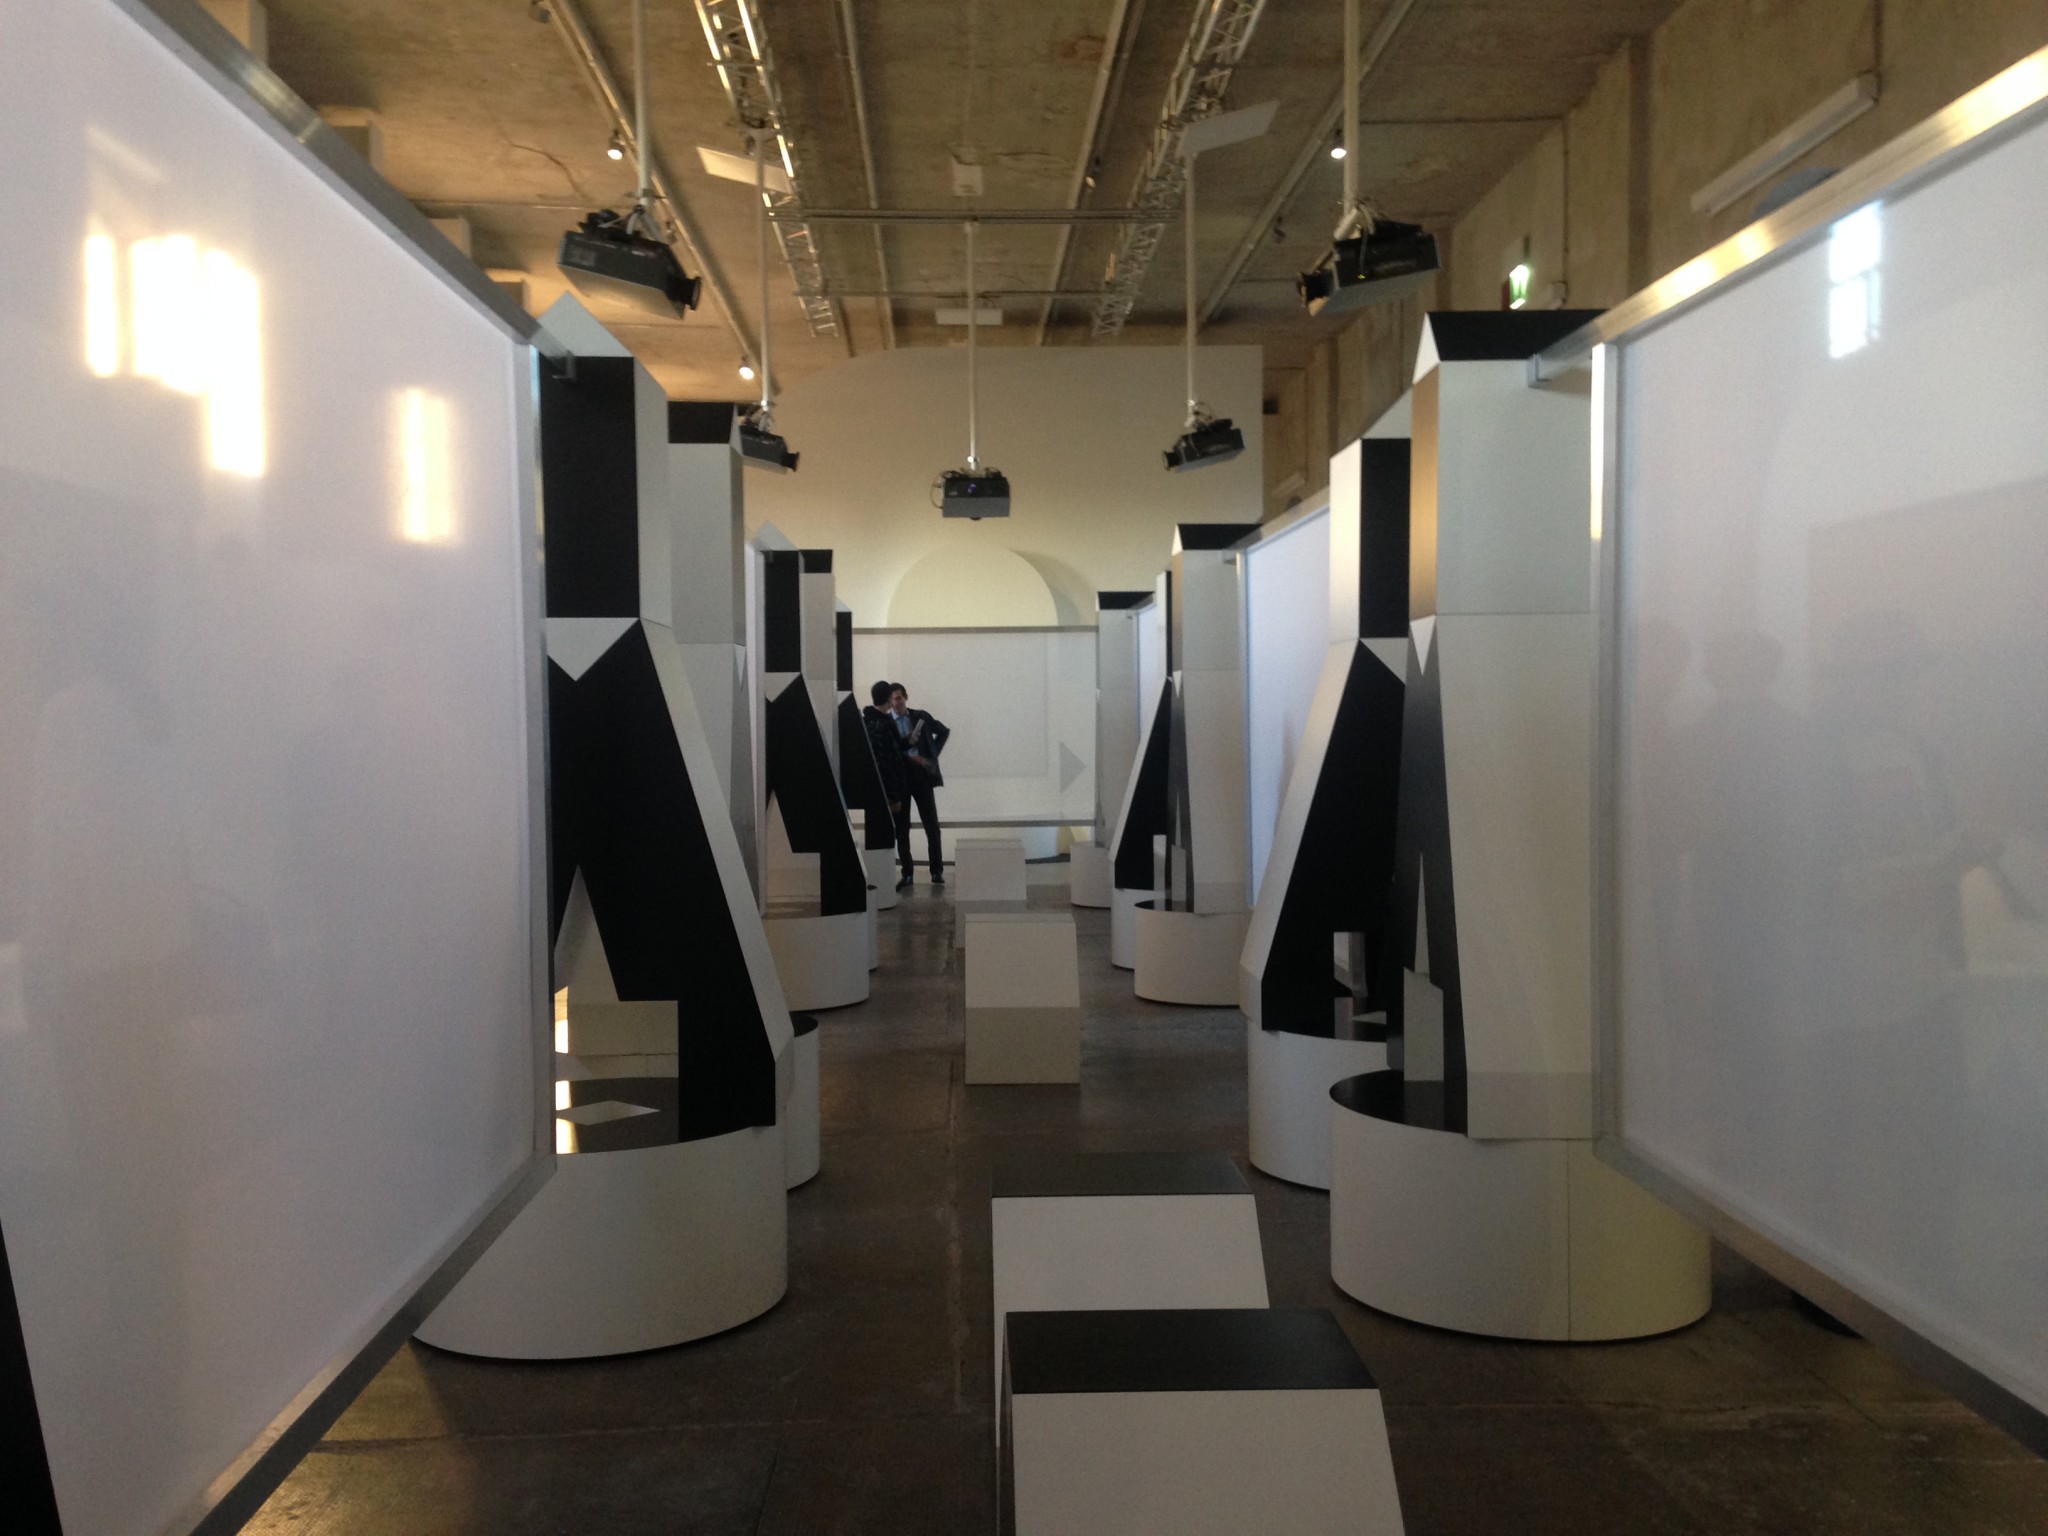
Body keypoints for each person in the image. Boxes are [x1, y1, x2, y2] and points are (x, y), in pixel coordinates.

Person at [889, 682, 949, 887]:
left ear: (905, 697)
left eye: (898, 698)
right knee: (902, 827)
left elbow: (943, 731)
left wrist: (932, 755)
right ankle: (907, 873)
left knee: (931, 824)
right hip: (900, 777)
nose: (896, 703)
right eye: (892, 700)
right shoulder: (888, 722)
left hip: (921, 775)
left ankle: (936, 870)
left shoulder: (920, 717)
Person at [861, 681, 910, 888]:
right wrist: (894, 796)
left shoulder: (866, 721)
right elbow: (889, 763)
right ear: (888, 699)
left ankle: (880, 883)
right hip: (890, 792)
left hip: (874, 791)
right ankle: (888, 883)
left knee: (879, 839)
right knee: (895, 835)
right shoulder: (884, 724)